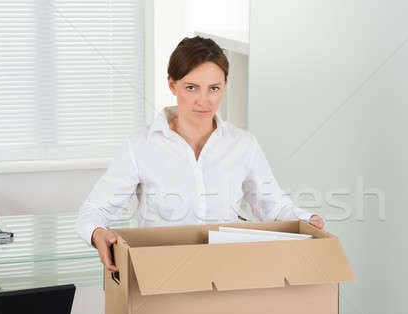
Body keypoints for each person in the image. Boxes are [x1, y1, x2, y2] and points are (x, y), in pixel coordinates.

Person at [75, 36, 324, 272]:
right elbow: (95, 209)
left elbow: (274, 206)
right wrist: (98, 232)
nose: (203, 101)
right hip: (158, 273)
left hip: (228, 272)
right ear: (172, 84)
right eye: (191, 87)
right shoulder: (140, 146)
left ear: (225, 85)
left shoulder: (243, 145)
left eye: (214, 88)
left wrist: (306, 220)